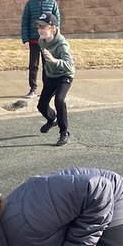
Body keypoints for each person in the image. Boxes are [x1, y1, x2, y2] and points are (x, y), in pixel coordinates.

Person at [34, 11, 74, 148]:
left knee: (59, 100)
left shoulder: (62, 44)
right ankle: (52, 119)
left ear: (53, 28)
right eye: (38, 26)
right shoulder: (41, 41)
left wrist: (54, 60)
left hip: (64, 75)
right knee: (41, 105)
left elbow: (69, 65)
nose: (40, 30)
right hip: (51, 76)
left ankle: (64, 132)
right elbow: (45, 61)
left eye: (43, 27)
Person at [20, 0, 59, 98]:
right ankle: (33, 88)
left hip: (47, 40)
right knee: (33, 65)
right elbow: (25, 22)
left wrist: (55, 37)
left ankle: (47, 88)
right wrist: (25, 39)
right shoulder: (31, 3)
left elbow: (57, 21)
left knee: (47, 64)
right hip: (34, 40)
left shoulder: (52, 3)